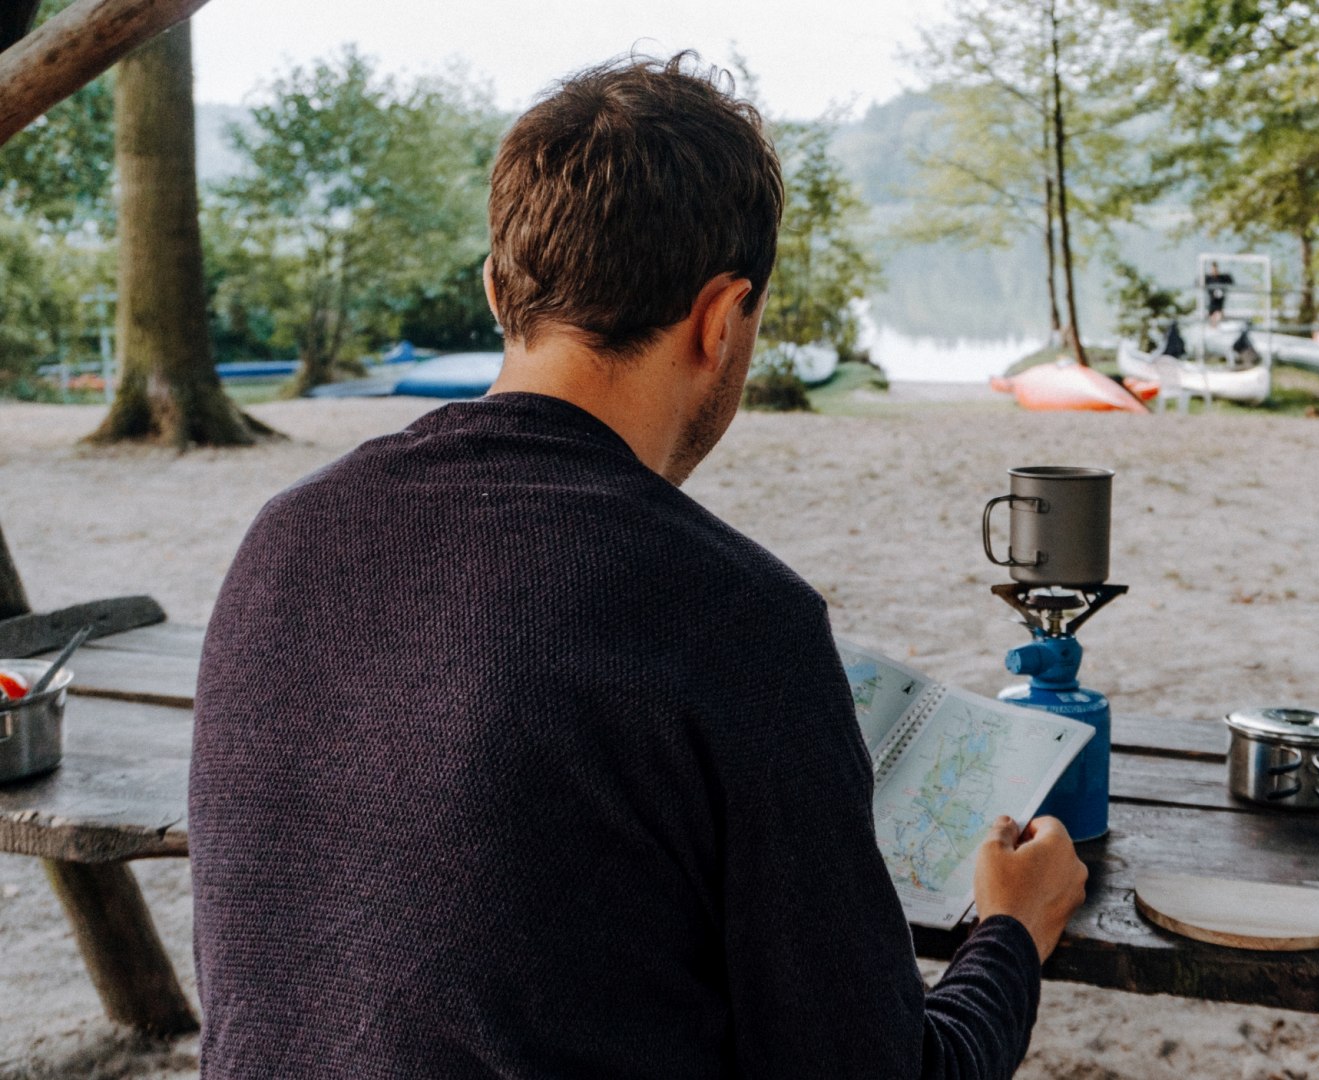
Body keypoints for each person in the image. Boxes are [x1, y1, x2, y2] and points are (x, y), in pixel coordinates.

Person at [190, 53, 1087, 1080]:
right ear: (720, 318)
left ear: (496, 290)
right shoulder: (735, 617)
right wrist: (1012, 933)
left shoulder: (285, 539)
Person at [1203, 261, 1235, 325]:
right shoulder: (1208, 278)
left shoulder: (1222, 278)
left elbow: (1231, 282)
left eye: (1215, 269)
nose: (1214, 271)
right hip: (1211, 303)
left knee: (1218, 318)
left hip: (1220, 304)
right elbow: (1198, 282)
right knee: (1212, 321)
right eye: (1213, 269)